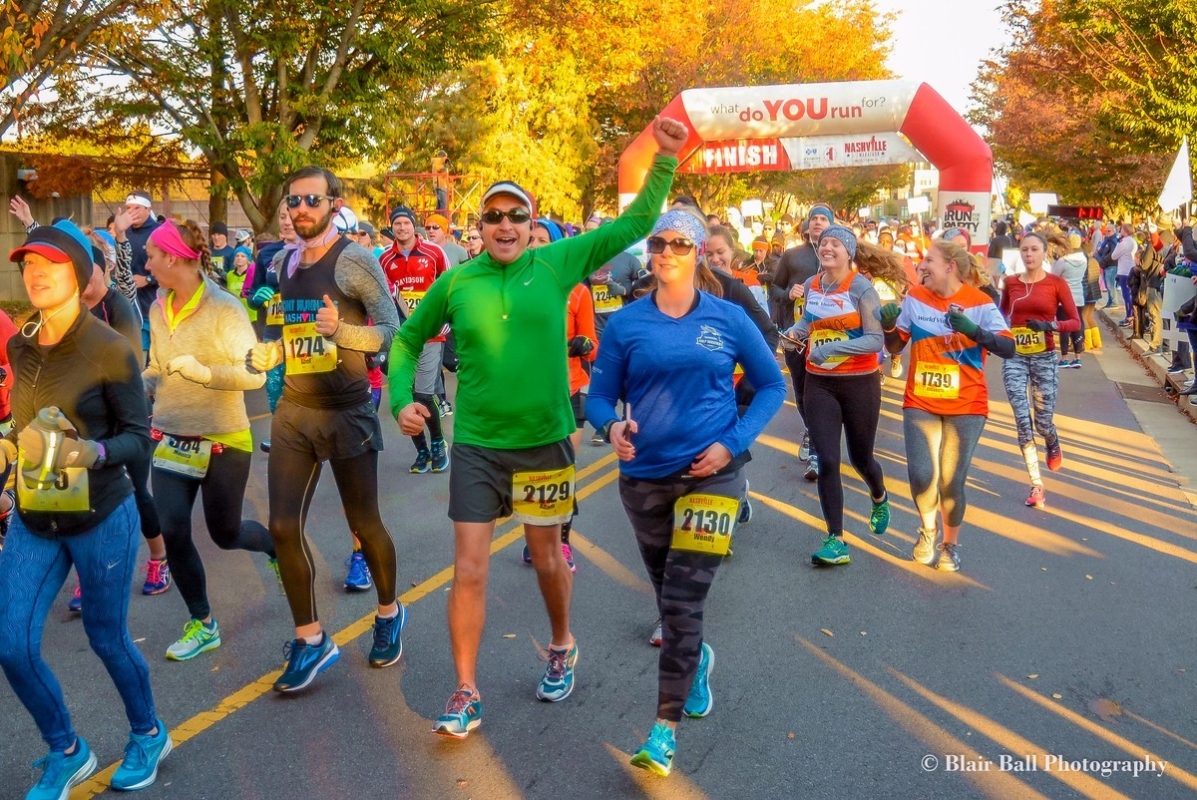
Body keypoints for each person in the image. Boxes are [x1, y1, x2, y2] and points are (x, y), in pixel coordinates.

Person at [389, 116, 689, 739]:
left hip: (545, 444)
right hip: (475, 444)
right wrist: (401, 400)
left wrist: (662, 158)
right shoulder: (458, 279)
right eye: (493, 216)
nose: (504, 225)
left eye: (515, 216)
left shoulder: (558, 263)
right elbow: (408, 338)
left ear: (531, 224)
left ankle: (561, 642)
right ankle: (466, 689)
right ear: (480, 227)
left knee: (548, 557)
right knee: (469, 568)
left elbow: (635, 227)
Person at [586, 209, 785, 776]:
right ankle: (696, 659)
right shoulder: (626, 324)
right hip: (643, 477)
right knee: (665, 593)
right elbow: (600, 398)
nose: (665, 251)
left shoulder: (727, 317)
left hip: (713, 477)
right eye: (658, 243)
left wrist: (734, 442)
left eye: (679, 243)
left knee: (681, 600)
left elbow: (771, 384)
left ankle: (662, 731)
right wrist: (611, 427)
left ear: (699, 251)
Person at [1, 220, 172, 797]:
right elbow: (24, 423)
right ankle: (66, 749)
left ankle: (148, 733)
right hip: (34, 517)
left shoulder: (110, 349)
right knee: (11, 644)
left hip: (101, 515)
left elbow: (138, 438)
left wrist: (89, 451)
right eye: (27, 265)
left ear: (77, 273)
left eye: (48, 264)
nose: (35, 274)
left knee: (107, 638)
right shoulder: (20, 343)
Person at [246, 166, 403, 692]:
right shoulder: (283, 261)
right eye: (292, 201)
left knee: (365, 523)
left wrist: (343, 332)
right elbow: (288, 327)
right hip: (294, 409)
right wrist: (271, 351)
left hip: (347, 409)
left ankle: (388, 613)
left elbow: (391, 331)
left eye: (311, 199)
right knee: (283, 527)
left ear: (334, 203)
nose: (299, 209)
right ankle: (311, 639)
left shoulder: (355, 260)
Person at [142, 220, 278, 661]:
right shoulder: (157, 308)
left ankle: (274, 544)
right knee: (172, 527)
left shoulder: (225, 308)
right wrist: (131, 384)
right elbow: (156, 367)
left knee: (226, 533)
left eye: (151, 256)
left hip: (223, 438)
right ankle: (203, 623)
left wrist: (204, 373)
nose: (147, 264)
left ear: (176, 258)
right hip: (171, 436)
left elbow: (252, 372)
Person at [882, 241, 1014, 572]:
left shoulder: (980, 303)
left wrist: (974, 331)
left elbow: (1008, 347)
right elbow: (897, 344)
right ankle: (928, 530)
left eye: (928, 260)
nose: (921, 265)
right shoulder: (915, 298)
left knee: (951, 482)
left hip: (966, 404)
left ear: (950, 267)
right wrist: (887, 326)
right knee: (922, 475)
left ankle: (950, 544)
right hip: (921, 400)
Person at [781, 225, 890, 566]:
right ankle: (836, 539)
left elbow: (875, 339)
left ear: (848, 253)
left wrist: (834, 349)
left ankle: (879, 493)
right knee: (827, 459)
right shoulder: (813, 286)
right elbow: (808, 324)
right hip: (820, 384)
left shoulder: (861, 289)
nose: (826, 247)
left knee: (861, 459)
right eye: (823, 242)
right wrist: (792, 333)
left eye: (835, 244)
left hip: (859, 384)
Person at [520, 218, 594, 571]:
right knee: (530, 470)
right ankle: (535, 537)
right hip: (525, 393)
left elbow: (592, 347)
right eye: (530, 239)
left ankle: (561, 541)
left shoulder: (577, 291)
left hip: (568, 390)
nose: (535, 245)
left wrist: (580, 345)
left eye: (543, 240)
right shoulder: (509, 288)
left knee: (561, 468)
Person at [999, 231, 1081, 509]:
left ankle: (1052, 439)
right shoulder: (1010, 283)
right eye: (1024, 250)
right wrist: (999, 338)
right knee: (1022, 420)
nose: (1029, 255)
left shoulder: (1056, 283)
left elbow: (1075, 322)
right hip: (1015, 356)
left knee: (1042, 422)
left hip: (1044, 356)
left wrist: (1049, 326)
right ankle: (1036, 485)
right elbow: (1000, 315)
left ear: (1045, 253)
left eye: (1034, 249)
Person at [379, 205, 451, 474]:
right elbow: (382, 300)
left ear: (414, 226)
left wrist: (446, 321)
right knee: (405, 397)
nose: (401, 228)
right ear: (392, 228)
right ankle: (421, 450)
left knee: (423, 393)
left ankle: (438, 444)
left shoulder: (434, 252)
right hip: (403, 338)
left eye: (406, 223)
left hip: (432, 334)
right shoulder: (385, 259)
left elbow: (451, 285)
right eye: (396, 224)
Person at [770, 205, 834, 479]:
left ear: (832, 224)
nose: (818, 222)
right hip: (795, 334)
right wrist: (788, 292)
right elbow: (773, 288)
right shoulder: (793, 255)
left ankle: (818, 450)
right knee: (801, 390)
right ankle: (811, 430)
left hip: (829, 336)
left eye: (823, 219)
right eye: (814, 218)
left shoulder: (838, 255)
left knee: (820, 391)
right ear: (807, 225)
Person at [121, 191, 162, 358]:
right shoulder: (124, 234)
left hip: (157, 303)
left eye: (137, 208)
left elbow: (172, 266)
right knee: (139, 359)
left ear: (148, 209)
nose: (132, 212)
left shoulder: (160, 232)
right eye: (128, 208)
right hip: (131, 307)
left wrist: (148, 279)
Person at [1052, 231, 1089, 367]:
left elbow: (1053, 276)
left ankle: (1064, 357)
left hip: (1064, 297)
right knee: (1076, 325)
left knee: (1063, 326)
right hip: (1079, 296)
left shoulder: (1063, 261)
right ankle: (1078, 357)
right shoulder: (1083, 259)